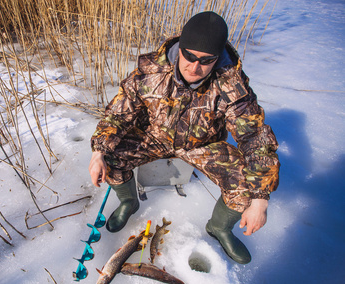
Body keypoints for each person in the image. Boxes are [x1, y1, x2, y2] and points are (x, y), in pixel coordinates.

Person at [88, 11, 280, 264]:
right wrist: (98, 152)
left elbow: (255, 137)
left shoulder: (232, 85)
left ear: (217, 58)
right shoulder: (151, 73)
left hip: (203, 145)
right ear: (180, 48)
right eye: (189, 55)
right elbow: (118, 113)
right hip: (153, 136)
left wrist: (260, 201)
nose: (195, 66)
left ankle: (219, 228)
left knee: (248, 186)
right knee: (110, 157)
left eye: (206, 60)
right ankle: (129, 202)